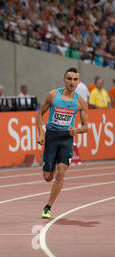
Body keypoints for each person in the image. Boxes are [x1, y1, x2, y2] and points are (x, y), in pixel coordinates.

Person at [36, 67, 88, 219]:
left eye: (75, 79)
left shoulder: (80, 101)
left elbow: (86, 127)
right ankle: (47, 164)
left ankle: (48, 206)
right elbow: (39, 114)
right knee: (47, 177)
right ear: (64, 80)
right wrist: (41, 134)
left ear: (78, 82)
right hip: (51, 138)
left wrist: (76, 130)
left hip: (66, 139)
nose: (72, 82)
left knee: (61, 172)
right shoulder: (53, 95)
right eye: (69, 79)